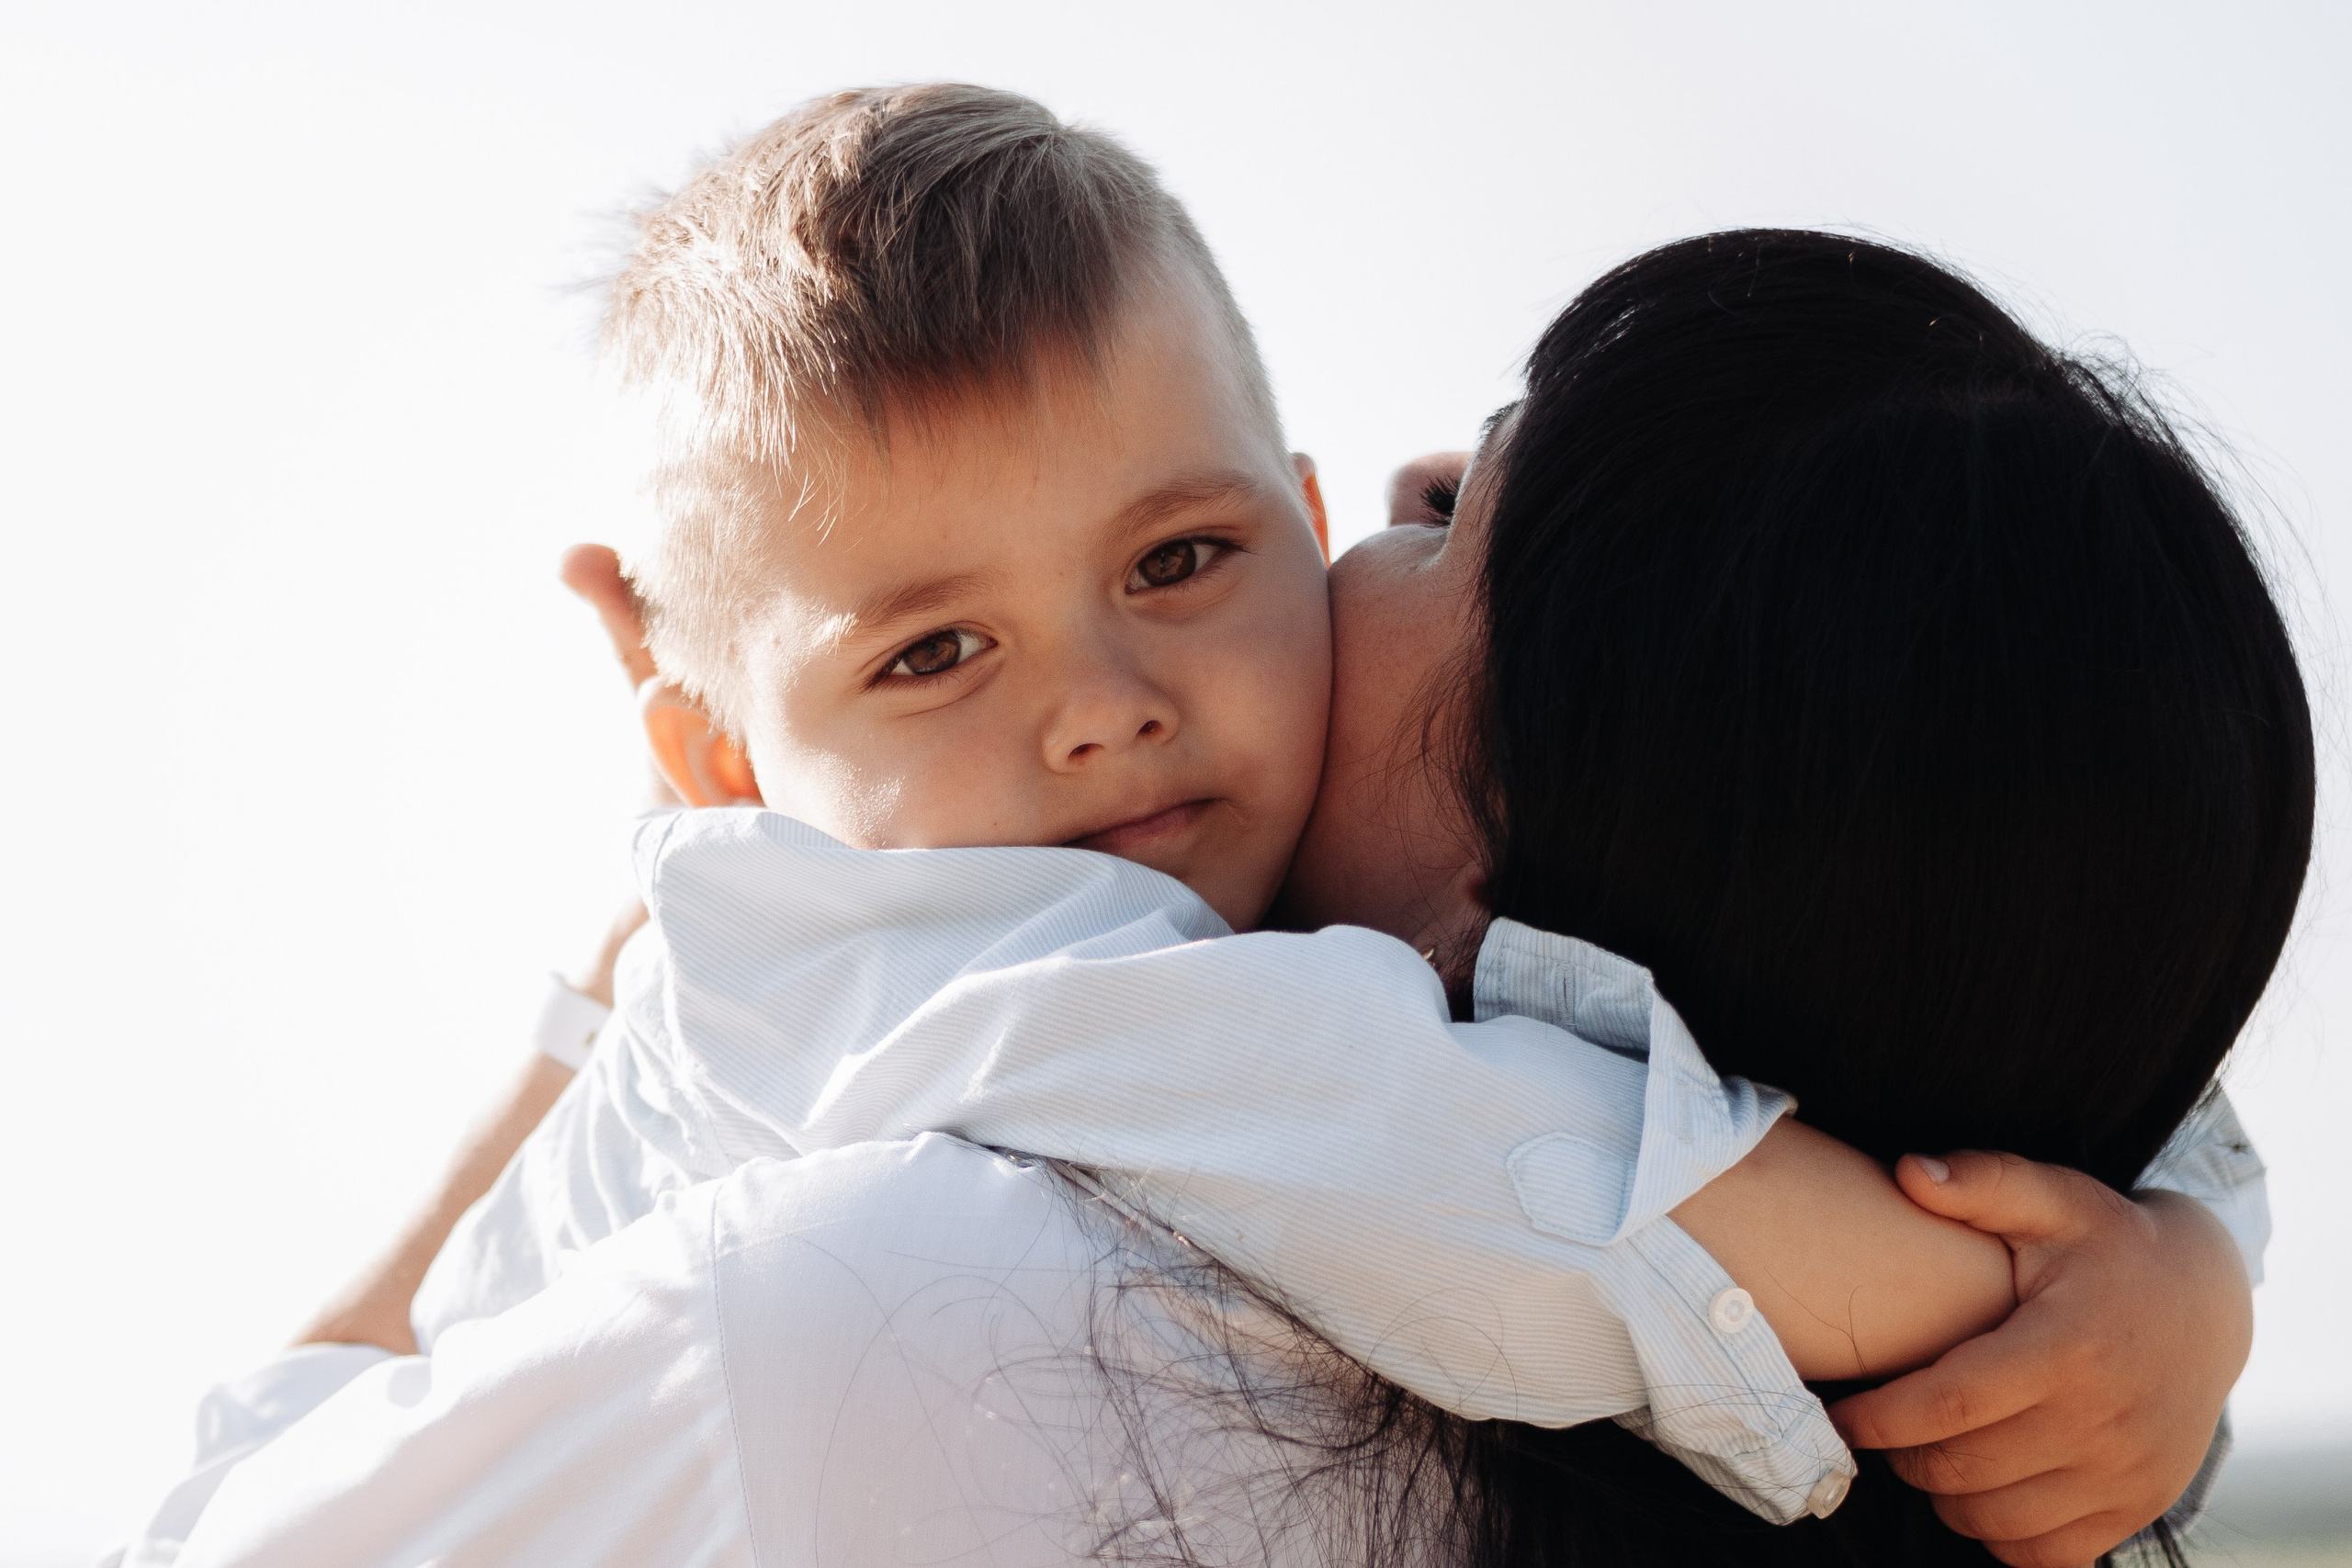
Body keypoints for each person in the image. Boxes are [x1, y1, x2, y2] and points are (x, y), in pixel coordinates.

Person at [114, 225, 2297, 1567]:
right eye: (925, 646)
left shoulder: (938, 1287)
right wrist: (2075, 1274)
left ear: (1524, 854)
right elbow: (1530, 1151)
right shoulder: (1033, 992)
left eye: (1449, 522)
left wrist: (2159, 1250)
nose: (1094, 710)